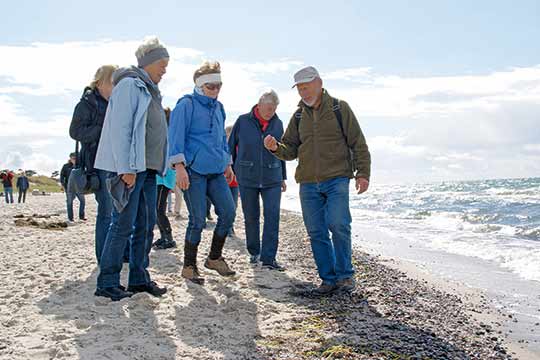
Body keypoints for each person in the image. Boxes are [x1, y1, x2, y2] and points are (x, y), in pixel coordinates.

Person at [264, 66, 371, 296]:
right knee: (316, 231)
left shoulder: (339, 108)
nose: (304, 92)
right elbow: (290, 149)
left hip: (337, 179)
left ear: (319, 83)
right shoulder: (298, 116)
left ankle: (345, 276)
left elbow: (358, 143)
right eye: (300, 88)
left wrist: (363, 173)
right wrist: (275, 148)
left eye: (307, 86)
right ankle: (328, 279)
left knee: (338, 224)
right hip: (308, 182)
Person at [93, 36, 169, 301]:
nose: (165, 69)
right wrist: (126, 168)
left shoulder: (149, 89)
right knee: (122, 224)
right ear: (148, 62)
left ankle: (138, 278)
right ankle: (107, 282)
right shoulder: (129, 85)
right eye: (162, 63)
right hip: (129, 169)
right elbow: (120, 130)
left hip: (146, 169)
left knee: (146, 225)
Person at [169, 60, 236, 285]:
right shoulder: (185, 105)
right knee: (197, 219)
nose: (215, 90)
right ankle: (189, 266)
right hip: (193, 171)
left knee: (228, 212)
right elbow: (175, 137)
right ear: (199, 85)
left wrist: (227, 164)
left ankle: (214, 258)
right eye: (211, 86)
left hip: (217, 170)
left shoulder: (220, 108)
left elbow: (221, 140)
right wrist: (179, 167)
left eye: (219, 85)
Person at [229, 90, 287, 270]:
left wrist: (283, 177)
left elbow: (282, 151)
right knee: (251, 216)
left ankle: (269, 258)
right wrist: (229, 168)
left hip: (272, 177)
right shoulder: (243, 121)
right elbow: (230, 146)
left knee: (272, 216)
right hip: (247, 176)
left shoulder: (278, 123)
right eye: (268, 108)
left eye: (274, 108)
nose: (271, 112)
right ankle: (254, 252)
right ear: (259, 105)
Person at [69, 64, 118, 263]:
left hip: (115, 161)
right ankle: (103, 256)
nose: (115, 87)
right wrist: (102, 129)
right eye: (112, 82)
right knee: (106, 209)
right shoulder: (86, 103)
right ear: (100, 83)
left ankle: (116, 252)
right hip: (97, 162)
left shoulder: (114, 103)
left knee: (119, 209)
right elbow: (75, 131)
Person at [153, 107, 177, 250]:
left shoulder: (169, 135)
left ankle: (169, 238)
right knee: (157, 209)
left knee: (159, 209)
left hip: (165, 176)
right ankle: (163, 236)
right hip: (159, 176)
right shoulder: (163, 134)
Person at [60, 153, 86, 222]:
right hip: (69, 187)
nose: (74, 159)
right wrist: (62, 185)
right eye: (72, 158)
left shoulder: (80, 166)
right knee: (69, 202)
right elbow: (62, 176)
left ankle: (81, 216)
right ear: (70, 158)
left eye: (75, 158)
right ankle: (70, 218)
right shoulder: (66, 166)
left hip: (79, 187)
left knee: (83, 201)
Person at [225, 125, 239, 236]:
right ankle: (228, 228)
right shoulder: (223, 149)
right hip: (224, 181)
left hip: (235, 182)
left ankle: (230, 226)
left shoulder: (239, 147)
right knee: (227, 206)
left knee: (234, 206)